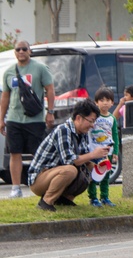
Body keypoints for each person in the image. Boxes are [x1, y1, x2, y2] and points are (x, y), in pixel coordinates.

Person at [29, 99, 110, 212]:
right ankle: (46, 201)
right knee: (70, 170)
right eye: (91, 121)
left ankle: (65, 199)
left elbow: (84, 158)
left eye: (94, 122)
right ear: (79, 118)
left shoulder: (83, 133)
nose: (92, 125)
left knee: (91, 168)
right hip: (39, 178)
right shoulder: (63, 130)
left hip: (55, 173)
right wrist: (92, 154)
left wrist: (100, 160)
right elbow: (69, 160)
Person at [0, 40, 55, 198]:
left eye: (24, 49)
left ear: (30, 51)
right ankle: (15, 188)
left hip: (35, 119)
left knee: (38, 153)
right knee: (14, 153)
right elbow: (5, 97)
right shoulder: (9, 71)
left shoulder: (40, 68)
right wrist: (1, 119)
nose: (21, 51)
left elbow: (50, 89)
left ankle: (43, 184)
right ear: (15, 52)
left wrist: (50, 111)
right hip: (14, 119)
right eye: (18, 49)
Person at [86, 87, 119, 207]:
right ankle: (93, 197)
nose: (105, 102)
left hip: (107, 152)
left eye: (108, 100)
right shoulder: (93, 117)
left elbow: (115, 135)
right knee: (93, 175)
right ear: (96, 102)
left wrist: (115, 151)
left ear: (112, 102)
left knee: (106, 176)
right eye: (101, 100)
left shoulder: (112, 118)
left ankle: (105, 197)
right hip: (94, 151)